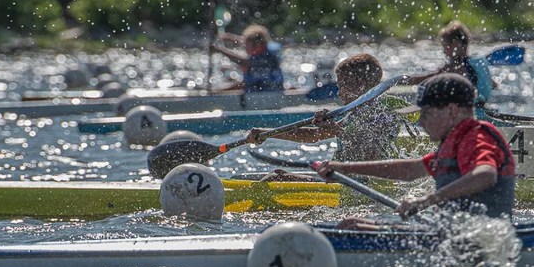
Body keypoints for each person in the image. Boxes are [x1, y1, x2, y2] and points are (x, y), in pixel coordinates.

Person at [314, 73, 516, 230]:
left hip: (481, 238)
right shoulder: (454, 143)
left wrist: (425, 201)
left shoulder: (478, 136)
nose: (420, 121)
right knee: (352, 224)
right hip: (452, 233)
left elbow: (486, 174)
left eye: (426, 113)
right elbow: (410, 170)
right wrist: (343, 169)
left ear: (452, 111)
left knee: (354, 228)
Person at [247, 53, 410, 161]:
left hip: (365, 182)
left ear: (360, 86)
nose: (339, 93)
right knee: (277, 176)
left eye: (342, 86)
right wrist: (268, 133)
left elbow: (370, 151)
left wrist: (334, 129)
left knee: (274, 179)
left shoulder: (382, 112)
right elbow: (313, 136)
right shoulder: (353, 113)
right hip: (344, 176)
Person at [406, 21, 495, 105]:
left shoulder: (455, 67)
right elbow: (493, 85)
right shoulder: (478, 62)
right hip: (482, 108)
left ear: (456, 44)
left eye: (445, 46)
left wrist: (406, 80)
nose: (444, 52)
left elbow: (429, 78)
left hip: (471, 113)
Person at [209, 24, 284, 92]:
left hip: (267, 93)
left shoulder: (266, 58)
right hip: (261, 92)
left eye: (247, 45)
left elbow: (244, 63)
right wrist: (229, 37)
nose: (245, 47)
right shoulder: (262, 50)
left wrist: (220, 50)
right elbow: (248, 40)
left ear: (257, 44)